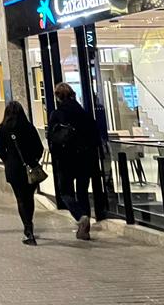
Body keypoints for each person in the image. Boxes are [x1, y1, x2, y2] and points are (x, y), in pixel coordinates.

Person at [48, 82, 100, 240]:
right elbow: (95, 137)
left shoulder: (57, 114)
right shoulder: (84, 113)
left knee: (65, 192)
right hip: (85, 159)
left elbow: (52, 139)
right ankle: (85, 230)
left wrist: (56, 156)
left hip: (66, 160)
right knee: (82, 192)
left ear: (58, 97)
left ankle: (80, 216)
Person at [0, 101, 44, 245]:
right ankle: (29, 224)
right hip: (30, 167)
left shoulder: (3, 128)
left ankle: (28, 230)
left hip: (14, 169)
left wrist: (7, 160)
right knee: (29, 197)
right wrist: (33, 160)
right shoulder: (29, 127)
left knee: (20, 199)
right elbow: (39, 148)